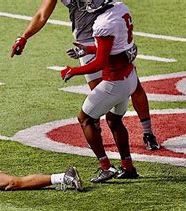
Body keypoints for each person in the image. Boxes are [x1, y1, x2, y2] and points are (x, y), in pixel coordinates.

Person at [10, 0, 160, 151]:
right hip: (86, 38)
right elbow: (42, 15)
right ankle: (97, 133)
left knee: (133, 85)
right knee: (100, 93)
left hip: (109, 31)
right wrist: (23, 37)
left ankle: (148, 133)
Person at [57, 0, 143, 182]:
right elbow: (114, 45)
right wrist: (88, 49)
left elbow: (99, 63)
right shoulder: (120, 8)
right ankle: (128, 167)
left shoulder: (102, 23)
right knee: (114, 120)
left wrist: (73, 71)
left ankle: (106, 167)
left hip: (115, 82)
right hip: (130, 77)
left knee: (85, 119)